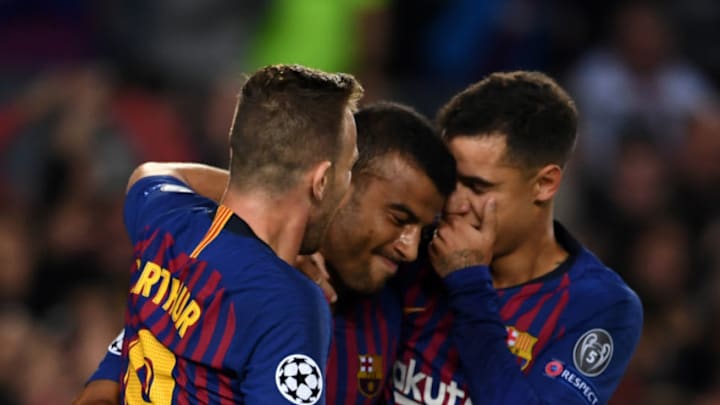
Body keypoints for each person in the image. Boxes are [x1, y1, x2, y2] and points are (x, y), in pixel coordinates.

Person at [73, 101, 457, 405]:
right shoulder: (231, 279)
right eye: (398, 218)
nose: (410, 247)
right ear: (337, 183)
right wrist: (282, 197)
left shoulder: (396, 301)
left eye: (423, 230)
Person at [90, 64, 363, 405]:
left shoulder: (164, 220)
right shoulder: (288, 304)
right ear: (321, 181)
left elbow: (152, 172)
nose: (348, 186)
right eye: (349, 168)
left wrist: (260, 179)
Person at [390, 70, 643, 404]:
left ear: (545, 183)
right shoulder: (408, 251)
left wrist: (468, 286)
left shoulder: (601, 305)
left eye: (478, 187)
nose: (453, 203)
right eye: (449, 180)